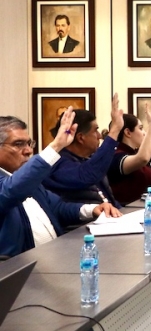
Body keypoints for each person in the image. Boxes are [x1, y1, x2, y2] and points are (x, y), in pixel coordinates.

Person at [0, 109, 121, 257]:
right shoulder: (20, 181)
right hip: (19, 267)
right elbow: (10, 191)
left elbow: (58, 207)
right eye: (18, 144)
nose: (28, 151)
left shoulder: (27, 180)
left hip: (56, 255)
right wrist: (56, 145)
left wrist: (93, 209)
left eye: (29, 143)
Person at [42, 93, 123, 207]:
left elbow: (109, 199)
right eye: (95, 130)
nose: (100, 136)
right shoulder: (57, 164)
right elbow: (87, 176)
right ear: (81, 138)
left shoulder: (87, 159)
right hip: (82, 218)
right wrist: (115, 130)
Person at [107, 105, 151, 205]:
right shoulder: (115, 155)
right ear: (128, 133)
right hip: (128, 210)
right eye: (141, 128)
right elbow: (142, 158)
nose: (144, 133)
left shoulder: (134, 152)